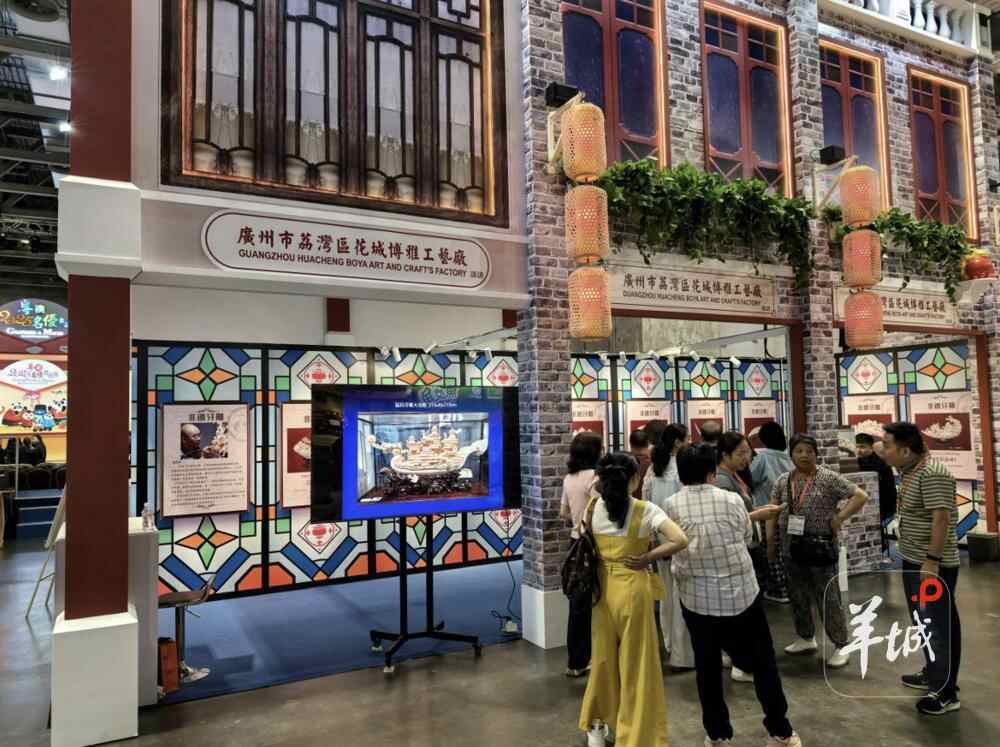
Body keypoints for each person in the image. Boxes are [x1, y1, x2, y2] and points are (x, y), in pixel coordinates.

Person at [665, 444, 798, 746]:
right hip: (741, 594)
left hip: (696, 599)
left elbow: (671, 543)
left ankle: (718, 735)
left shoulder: (670, 505)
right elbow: (746, 537)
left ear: (681, 474)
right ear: (712, 471)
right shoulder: (731, 499)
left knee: (707, 669)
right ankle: (781, 731)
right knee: (763, 663)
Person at [578, 452, 688, 747]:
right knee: (638, 664)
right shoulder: (646, 510)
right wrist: (648, 557)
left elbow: (580, 536)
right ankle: (636, 735)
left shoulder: (592, 507)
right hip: (633, 590)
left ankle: (597, 726)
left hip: (601, 591)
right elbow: (680, 539)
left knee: (602, 659)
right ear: (635, 479)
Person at [766, 434, 868, 669]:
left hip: (820, 549)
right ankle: (806, 637)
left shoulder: (828, 478)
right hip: (791, 549)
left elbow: (860, 495)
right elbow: (772, 510)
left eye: (809, 451)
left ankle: (841, 645)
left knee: (828, 598)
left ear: (816, 453)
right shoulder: (783, 480)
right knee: (797, 596)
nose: (804, 455)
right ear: (791, 454)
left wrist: (840, 517)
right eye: (799, 451)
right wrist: (771, 542)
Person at [881, 422, 961, 715]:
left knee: (939, 625)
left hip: (931, 563)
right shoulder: (910, 469)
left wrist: (932, 560)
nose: (883, 451)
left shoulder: (932, 473)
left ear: (905, 450)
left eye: (887, 446)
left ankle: (946, 692)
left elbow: (941, 519)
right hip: (913, 559)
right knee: (923, 622)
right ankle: (934, 672)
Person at [715, 431, 788, 683]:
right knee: (743, 610)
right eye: (741, 453)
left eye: (748, 452)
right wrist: (762, 514)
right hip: (741, 548)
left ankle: (734, 655)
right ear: (725, 455)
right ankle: (741, 661)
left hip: (747, 543)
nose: (747, 458)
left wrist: (762, 510)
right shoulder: (723, 482)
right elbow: (732, 521)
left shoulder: (733, 475)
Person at [643, 423, 694, 669]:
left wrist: (653, 537)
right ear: (677, 442)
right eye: (687, 437)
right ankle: (684, 653)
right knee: (684, 595)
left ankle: (670, 645)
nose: (690, 440)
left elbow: (646, 504)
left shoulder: (654, 468)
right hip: (682, 539)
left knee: (666, 597)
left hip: (660, 541)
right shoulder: (683, 468)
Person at [560, 431, 603, 677]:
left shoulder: (569, 478)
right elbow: (600, 510)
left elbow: (563, 513)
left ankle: (576, 661)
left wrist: (577, 520)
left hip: (575, 543)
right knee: (599, 600)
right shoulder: (596, 478)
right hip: (596, 544)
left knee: (578, 603)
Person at [751, 422, 795, 603]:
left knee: (771, 549)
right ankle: (791, 588)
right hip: (789, 511)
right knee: (787, 550)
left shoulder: (763, 457)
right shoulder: (789, 457)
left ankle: (780, 591)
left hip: (767, 511)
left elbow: (751, 478)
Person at [856, 433, 898, 557]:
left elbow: (888, 492)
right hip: (866, 506)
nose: (859, 450)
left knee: (875, 533)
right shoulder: (858, 461)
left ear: (871, 447)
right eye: (857, 446)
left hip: (881, 506)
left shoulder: (881, 465)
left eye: (862, 447)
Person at [628, 429, 652, 498]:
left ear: (631, 445)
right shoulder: (655, 463)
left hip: (629, 502)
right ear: (648, 443)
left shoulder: (625, 463)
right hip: (651, 503)